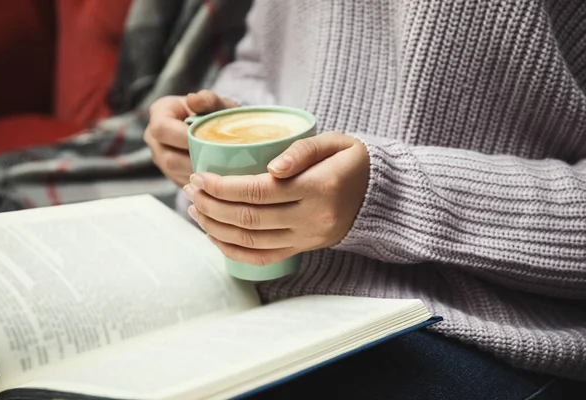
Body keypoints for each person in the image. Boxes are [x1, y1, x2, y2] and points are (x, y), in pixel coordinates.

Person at [144, 0, 586, 398]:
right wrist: (220, 133)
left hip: (466, 326)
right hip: (244, 292)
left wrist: (389, 198)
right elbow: (260, 64)